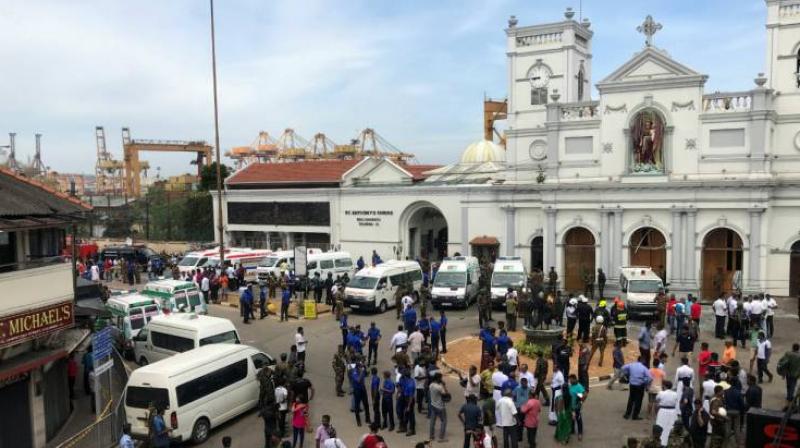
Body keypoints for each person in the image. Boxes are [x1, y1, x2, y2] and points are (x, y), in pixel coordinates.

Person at [622, 356, 652, 420]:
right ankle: (635, 416)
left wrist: (627, 374)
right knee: (638, 400)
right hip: (640, 385)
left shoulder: (631, 365)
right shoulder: (644, 368)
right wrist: (644, 381)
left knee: (631, 399)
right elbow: (650, 378)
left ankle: (627, 414)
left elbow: (623, 367)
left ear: (638, 360)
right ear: (643, 361)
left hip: (632, 385)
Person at [428, 372, 448, 443]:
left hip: (433, 405)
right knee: (444, 421)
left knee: (432, 421)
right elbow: (446, 393)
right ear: (438, 378)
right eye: (441, 378)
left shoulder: (431, 385)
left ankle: (431, 436)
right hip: (440, 406)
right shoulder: (439, 387)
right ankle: (441, 437)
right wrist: (444, 385)